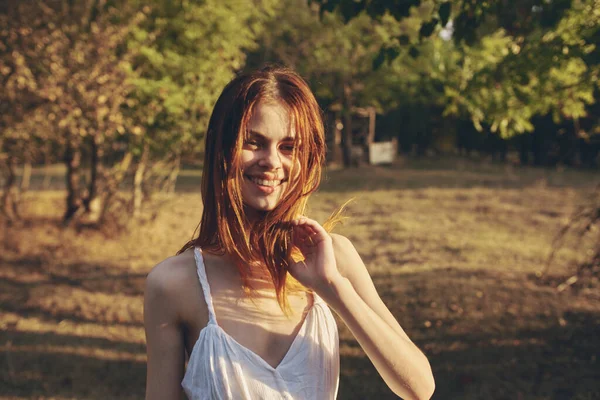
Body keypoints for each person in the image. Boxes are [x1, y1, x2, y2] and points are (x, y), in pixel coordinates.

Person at [143, 66, 435, 400]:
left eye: (288, 147)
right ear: (222, 149)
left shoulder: (335, 258)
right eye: (254, 142)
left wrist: (335, 288)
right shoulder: (173, 284)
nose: (271, 161)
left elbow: (420, 388)